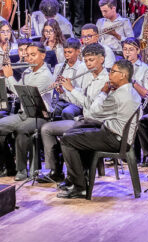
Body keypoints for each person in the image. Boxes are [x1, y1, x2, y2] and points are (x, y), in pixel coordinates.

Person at [57, 59, 141, 199]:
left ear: (123, 75)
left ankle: (79, 187)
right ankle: (79, 179)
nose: (109, 74)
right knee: (74, 134)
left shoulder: (118, 96)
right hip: (116, 134)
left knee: (67, 139)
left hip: (114, 138)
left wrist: (103, 93)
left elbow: (94, 111)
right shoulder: (131, 92)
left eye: (113, 71)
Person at [37, 43, 107, 183]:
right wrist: (65, 92)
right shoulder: (89, 76)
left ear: (102, 59)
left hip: (96, 123)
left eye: (91, 60)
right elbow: (80, 102)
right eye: (86, 60)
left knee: (67, 136)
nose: (88, 64)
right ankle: (55, 171)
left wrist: (72, 88)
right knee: (46, 129)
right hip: (84, 120)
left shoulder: (107, 80)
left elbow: (93, 107)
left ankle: (77, 176)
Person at [0, 43, 54, 181]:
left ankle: (21, 170)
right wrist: (3, 76)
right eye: (27, 56)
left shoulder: (45, 75)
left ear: (43, 56)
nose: (29, 59)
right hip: (23, 114)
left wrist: (10, 76)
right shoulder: (27, 71)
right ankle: (8, 166)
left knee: (22, 130)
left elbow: (23, 94)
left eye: (33, 55)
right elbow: (16, 91)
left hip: (39, 116)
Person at [48, 38, 87, 121]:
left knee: (67, 112)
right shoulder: (59, 67)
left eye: (70, 52)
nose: (66, 55)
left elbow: (83, 91)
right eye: (65, 52)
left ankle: (68, 132)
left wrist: (67, 87)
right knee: (49, 110)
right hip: (61, 100)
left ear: (78, 51)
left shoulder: (84, 68)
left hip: (76, 103)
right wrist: (56, 87)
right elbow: (53, 88)